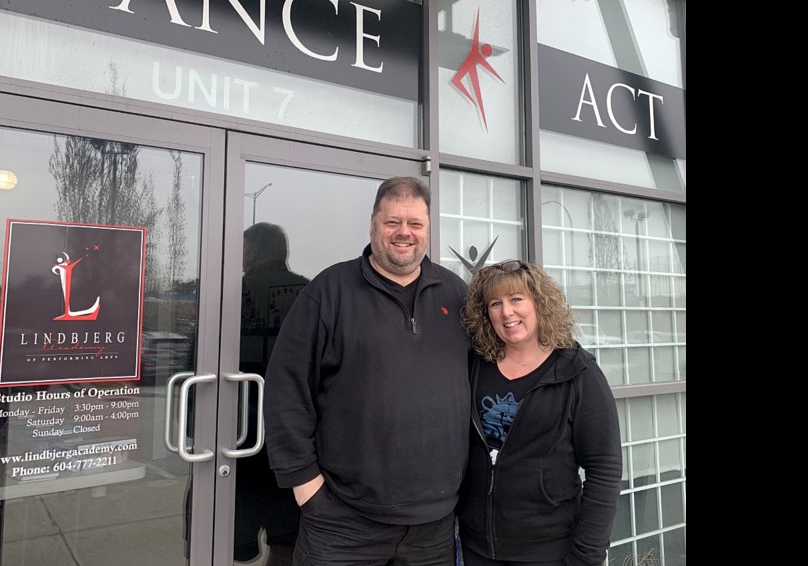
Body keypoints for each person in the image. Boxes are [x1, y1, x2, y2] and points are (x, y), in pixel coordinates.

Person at [263, 176, 471, 566]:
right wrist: (306, 486)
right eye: (392, 222)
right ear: (373, 224)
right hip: (343, 523)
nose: (404, 233)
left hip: (434, 526)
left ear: (427, 229)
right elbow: (286, 391)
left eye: (415, 223)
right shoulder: (328, 292)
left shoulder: (455, 294)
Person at [458, 260, 622, 566]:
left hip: (549, 550)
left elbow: (605, 470)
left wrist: (587, 555)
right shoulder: (474, 367)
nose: (507, 312)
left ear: (539, 304)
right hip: (475, 547)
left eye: (516, 299)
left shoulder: (577, 372)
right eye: (496, 303)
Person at [236, 222, 310, 565]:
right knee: (288, 538)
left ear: (253, 251)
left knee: (224, 534)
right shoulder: (309, 294)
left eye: (243, 248)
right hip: (295, 434)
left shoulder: (232, 293)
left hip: (235, 432)